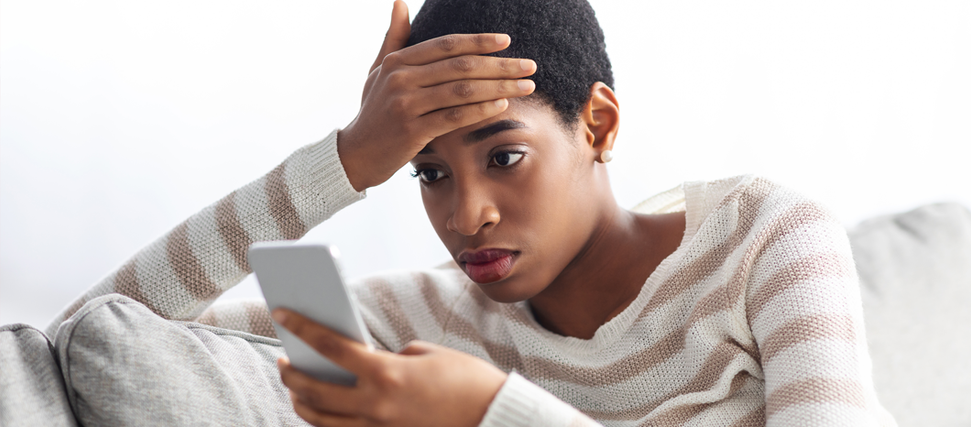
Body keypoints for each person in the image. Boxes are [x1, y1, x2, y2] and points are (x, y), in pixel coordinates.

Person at [47, 0, 896, 425]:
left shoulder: (767, 240)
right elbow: (84, 342)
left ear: (596, 123)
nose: (466, 216)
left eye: (504, 156)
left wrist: (491, 410)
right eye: (428, 173)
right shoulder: (416, 319)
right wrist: (341, 161)